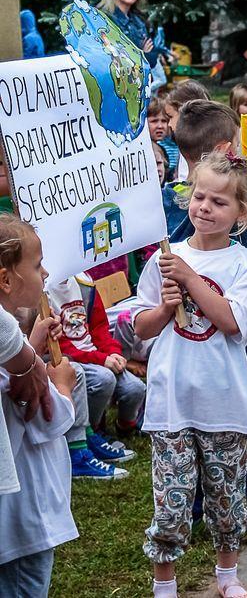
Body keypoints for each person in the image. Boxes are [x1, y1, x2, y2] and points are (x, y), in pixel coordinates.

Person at [163, 100, 247, 555]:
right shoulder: (240, 217)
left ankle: (198, 510)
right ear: (223, 150)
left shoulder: (173, 214)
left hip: (192, 351)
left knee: (198, 425)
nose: (206, 209)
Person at [134, 152, 247, 598]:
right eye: (199, 196)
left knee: (226, 499)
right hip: (171, 401)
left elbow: (233, 322)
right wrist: (164, 306)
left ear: (241, 213)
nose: (204, 207)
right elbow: (142, 328)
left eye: (219, 202)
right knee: (170, 502)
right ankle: (164, 584)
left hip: (224, 402)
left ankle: (228, 576)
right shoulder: (163, 260)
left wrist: (190, 279)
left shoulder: (245, 264)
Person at [0, 216, 78, 595]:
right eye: (36, 264)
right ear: (6, 279)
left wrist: (31, 344)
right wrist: (61, 385)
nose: (45, 272)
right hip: (25, 517)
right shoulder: (8, 351)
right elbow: (43, 418)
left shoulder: (11, 345)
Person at [50, 276, 145, 436]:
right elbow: (59, 346)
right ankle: (93, 432)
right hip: (72, 360)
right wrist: (101, 359)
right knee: (104, 379)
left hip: (95, 354)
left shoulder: (84, 281)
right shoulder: (43, 291)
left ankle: (125, 427)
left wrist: (113, 352)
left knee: (135, 388)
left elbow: (99, 326)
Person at [100, 0, 160, 68]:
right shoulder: (102, 19)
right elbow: (109, 61)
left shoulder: (140, 21)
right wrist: (142, 54)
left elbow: (152, 60)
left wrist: (140, 56)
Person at [162, 80, 211, 182]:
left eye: (171, 117)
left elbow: (187, 184)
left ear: (188, 114)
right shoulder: (186, 143)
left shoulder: (195, 148)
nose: (169, 124)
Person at [149, 85, 181, 174]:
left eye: (164, 121)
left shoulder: (176, 145)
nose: (160, 126)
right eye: (154, 121)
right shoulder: (147, 149)